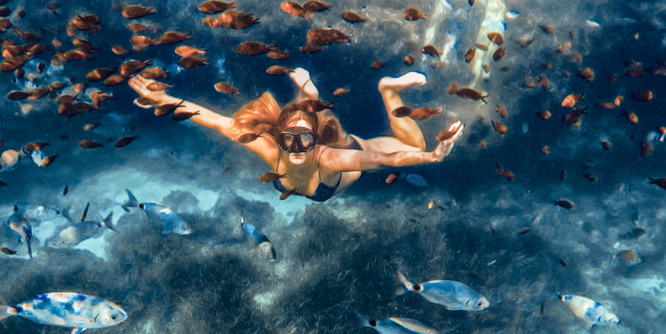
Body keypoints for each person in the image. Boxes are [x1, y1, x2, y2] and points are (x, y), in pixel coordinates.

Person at [128, 68, 463, 201]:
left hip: (350, 146)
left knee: (412, 145)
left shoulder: (330, 157)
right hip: (326, 144)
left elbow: (383, 158)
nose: (298, 147)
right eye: (290, 140)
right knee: (303, 116)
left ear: (316, 141)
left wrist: (430, 156)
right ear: (280, 140)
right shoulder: (272, 152)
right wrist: (166, 99)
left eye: (305, 139)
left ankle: (385, 89)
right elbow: (215, 120)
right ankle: (307, 95)